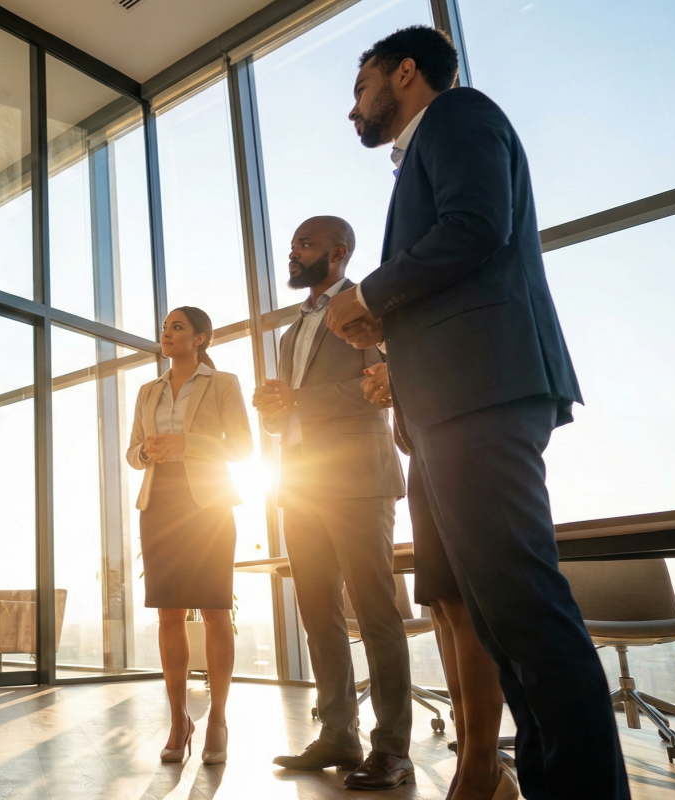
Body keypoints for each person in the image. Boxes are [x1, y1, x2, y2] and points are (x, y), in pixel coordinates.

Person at [325, 26, 629, 798]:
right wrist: (388, 327)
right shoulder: (425, 150)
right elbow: (459, 264)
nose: (352, 107)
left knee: (524, 607)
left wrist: (371, 295)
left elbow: (475, 227)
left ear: (405, 72)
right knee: (498, 617)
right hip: (449, 404)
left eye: (360, 88)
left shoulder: (458, 118)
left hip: (481, 396)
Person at [253, 217, 411, 790]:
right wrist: (272, 407)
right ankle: (338, 732)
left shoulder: (368, 306)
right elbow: (289, 411)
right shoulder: (292, 332)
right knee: (317, 611)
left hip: (359, 478)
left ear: (339, 252)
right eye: (293, 245)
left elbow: (385, 382)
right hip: (299, 480)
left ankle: (392, 746)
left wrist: (299, 398)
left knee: (375, 612)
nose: (292, 254)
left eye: (306, 244)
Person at [363, 363, 519, 800]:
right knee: (443, 603)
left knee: (465, 604)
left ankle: (483, 765)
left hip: (462, 432)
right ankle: (474, 761)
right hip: (425, 444)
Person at [126, 307, 252, 765]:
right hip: (159, 505)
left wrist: (187, 444)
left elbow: (242, 447)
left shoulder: (223, 384)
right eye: (164, 327)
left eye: (177, 327)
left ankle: (217, 717)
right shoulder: (147, 390)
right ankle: (179, 720)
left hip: (209, 505)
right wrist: (145, 449)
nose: (167, 333)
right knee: (169, 615)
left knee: (217, 610)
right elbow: (132, 452)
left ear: (201, 338)